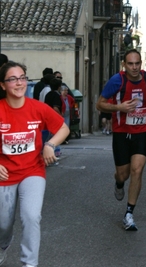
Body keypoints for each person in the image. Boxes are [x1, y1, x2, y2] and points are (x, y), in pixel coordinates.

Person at [0, 61, 69, 267]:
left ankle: (29, 264)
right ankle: (3, 246)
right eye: (12, 79)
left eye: (22, 78)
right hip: (5, 174)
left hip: (32, 171)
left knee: (31, 216)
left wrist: (50, 144)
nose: (19, 83)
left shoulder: (38, 108)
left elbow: (63, 128)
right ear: (3, 85)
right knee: (3, 225)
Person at [96, 49, 146, 231]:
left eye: (137, 63)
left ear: (141, 64)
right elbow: (99, 103)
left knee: (137, 170)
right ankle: (118, 182)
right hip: (121, 133)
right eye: (130, 64)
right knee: (123, 174)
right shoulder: (117, 80)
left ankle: (129, 213)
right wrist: (119, 107)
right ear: (124, 65)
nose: (134, 67)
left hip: (141, 132)